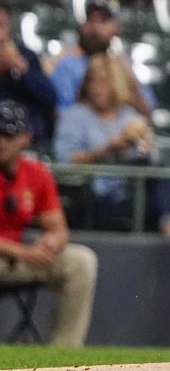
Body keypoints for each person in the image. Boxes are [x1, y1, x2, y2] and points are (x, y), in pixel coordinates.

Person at [53, 54, 170, 234]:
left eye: (103, 83)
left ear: (117, 85)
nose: (96, 90)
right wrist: (107, 149)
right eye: (92, 83)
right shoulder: (74, 116)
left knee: (163, 172)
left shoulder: (130, 117)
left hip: (133, 190)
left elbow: (148, 159)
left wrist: (144, 148)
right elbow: (64, 161)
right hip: (97, 194)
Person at [0, 101, 98, 345]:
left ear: (25, 138)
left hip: (19, 258)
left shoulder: (36, 173)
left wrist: (52, 242)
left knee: (81, 261)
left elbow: (58, 227)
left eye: (8, 134)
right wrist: (24, 252)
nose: (1, 141)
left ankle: (64, 353)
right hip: (14, 253)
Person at [48, 0, 154, 112]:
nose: (95, 27)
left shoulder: (123, 64)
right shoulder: (66, 64)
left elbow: (147, 111)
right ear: (81, 26)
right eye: (90, 19)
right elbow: (63, 115)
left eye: (103, 21)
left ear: (116, 27)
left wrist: (128, 79)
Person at [0, 0, 57, 146]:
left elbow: (50, 97)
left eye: (2, 25)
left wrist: (21, 68)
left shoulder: (25, 55)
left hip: (28, 138)